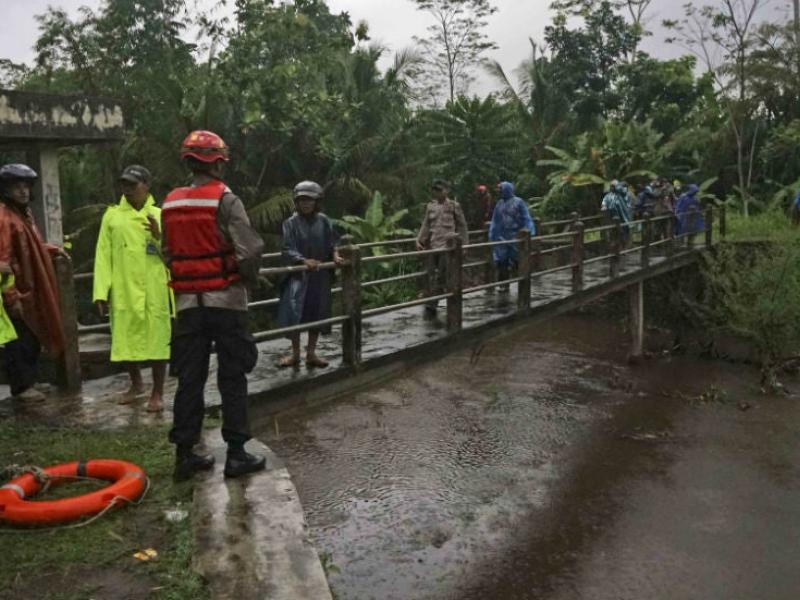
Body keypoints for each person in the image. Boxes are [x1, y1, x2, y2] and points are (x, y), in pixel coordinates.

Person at [162, 130, 265, 480]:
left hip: (188, 304)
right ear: (217, 162)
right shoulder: (226, 199)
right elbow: (248, 251)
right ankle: (236, 453)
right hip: (226, 301)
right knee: (232, 375)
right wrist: (247, 279)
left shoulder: (170, 202)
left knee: (190, 378)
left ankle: (184, 454)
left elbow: (167, 253)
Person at [93, 165, 171, 412]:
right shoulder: (112, 216)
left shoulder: (160, 215)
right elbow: (103, 255)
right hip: (123, 286)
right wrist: (100, 292)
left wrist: (158, 236)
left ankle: (157, 391)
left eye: (133, 185)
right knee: (125, 336)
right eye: (124, 185)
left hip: (154, 287)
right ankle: (136, 383)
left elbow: (172, 255)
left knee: (158, 338)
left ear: (147, 186)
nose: (127, 191)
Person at [0, 164, 66, 401]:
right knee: (20, 341)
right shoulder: (4, 217)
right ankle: (22, 387)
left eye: (26, 185)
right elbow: (3, 260)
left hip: (32, 288)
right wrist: (11, 296)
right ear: (6, 189)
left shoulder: (24, 214)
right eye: (16, 186)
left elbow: (31, 246)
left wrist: (52, 249)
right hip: (19, 290)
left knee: (33, 337)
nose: (23, 191)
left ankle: (31, 381)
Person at [277, 181, 343, 369]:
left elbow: (333, 242)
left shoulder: (323, 220)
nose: (306, 203)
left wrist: (335, 255)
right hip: (299, 275)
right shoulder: (290, 223)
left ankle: (311, 353)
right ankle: (296, 353)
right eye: (302, 200)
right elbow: (287, 248)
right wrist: (303, 261)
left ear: (316, 202)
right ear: (296, 202)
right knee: (295, 313)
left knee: (317, 313)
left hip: (319, 275)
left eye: (310, 200)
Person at [416, 179, 468, 315]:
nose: (437, 192)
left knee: (443, 276)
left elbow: (462, 225)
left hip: (447, 247)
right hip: (433, 246)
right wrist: (419, 240)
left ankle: (433, 303)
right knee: (431, 274)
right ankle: (434, 299)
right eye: (435, 190)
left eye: (440, 190)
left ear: (446, 190)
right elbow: (426, 225)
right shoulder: (430, 207)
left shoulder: (454, 206)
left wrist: (465, 245)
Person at [489, 181, 535, 291]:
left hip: (516, 236)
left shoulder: (518, 202)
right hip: (502, 237)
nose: (499, 192)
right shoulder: (499, 204)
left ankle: (524, 284)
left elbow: (526, 217)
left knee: (518, 260)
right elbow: (495, 220)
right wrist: (492, 234)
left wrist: (529, 231)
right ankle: (503, 285)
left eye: (501, 190)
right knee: (502, 261)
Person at [601, 180, 632, 246]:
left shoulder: (623, 194)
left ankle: (625, 247)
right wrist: (604, 206)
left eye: (613, 186)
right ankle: (616, 248)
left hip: (623, 216)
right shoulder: (608, 195)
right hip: (612, 217)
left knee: (625, 231)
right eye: (611, 186)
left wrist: (616, 185)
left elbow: (623, 192)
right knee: (614, 232)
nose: (612, 187)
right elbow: (604, 202)